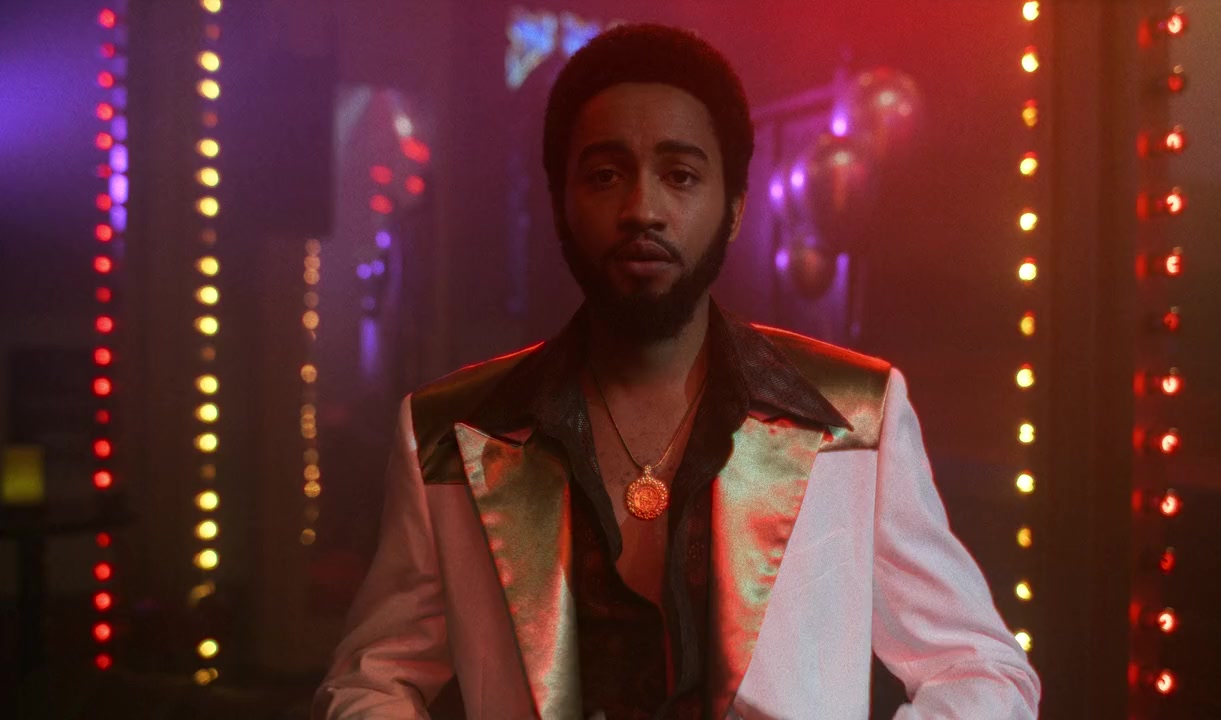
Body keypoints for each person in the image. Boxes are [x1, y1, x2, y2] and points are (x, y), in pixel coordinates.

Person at [313, 23, 1040, 720]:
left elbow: (982, 670)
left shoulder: (856, 413)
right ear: (561, 204)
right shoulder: (451, 430)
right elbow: (371, 678)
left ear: (734, 208)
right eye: (605, 175)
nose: (643, 210)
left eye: (681, 175)